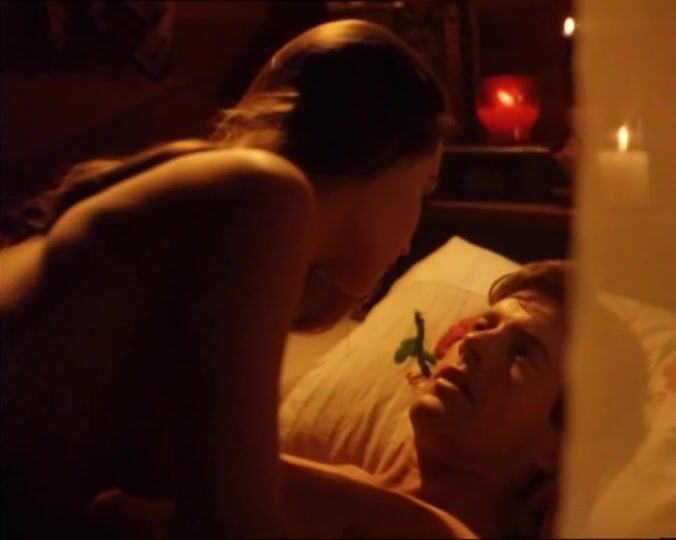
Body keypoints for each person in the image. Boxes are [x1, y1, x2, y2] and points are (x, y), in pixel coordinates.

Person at [0, 19, 449, 539]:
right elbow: (230, 522)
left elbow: (186, 475)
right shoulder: (262, 194)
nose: (410, 240)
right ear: (381, 146)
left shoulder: (220, 204)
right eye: (424, 188)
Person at [88, 260, 572, 539]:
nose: (475, 344)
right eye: (482, 325)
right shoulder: (340, 487)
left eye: (523, 353)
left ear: (559, 448)